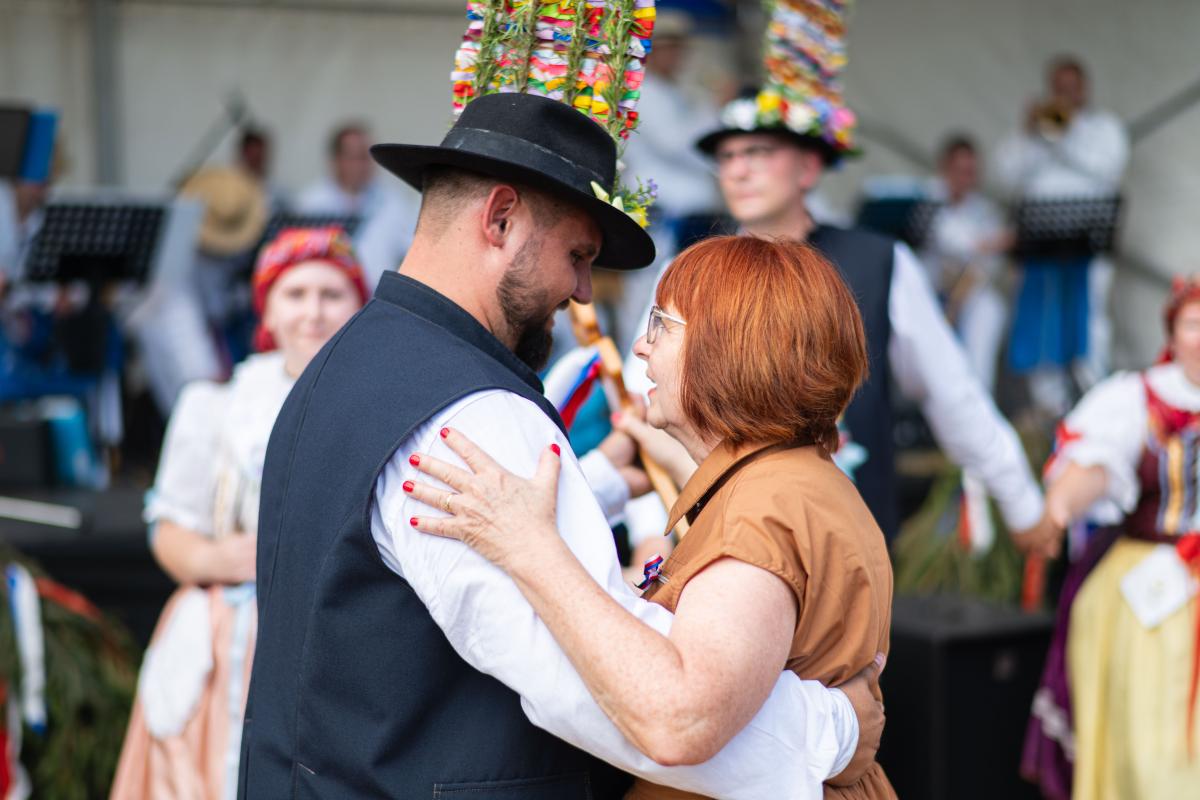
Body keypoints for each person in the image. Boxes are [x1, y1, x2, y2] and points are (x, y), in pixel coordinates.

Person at [240, 92, 883, 799]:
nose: (581, 292)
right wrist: (835, 728)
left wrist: (601, 485)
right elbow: (614, 697)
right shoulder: (476, 416)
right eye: (578, 255)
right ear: (500, 218)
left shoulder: (347, 363)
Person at [408, 235, 897, 799]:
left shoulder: (763, 508)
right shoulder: (794, 480)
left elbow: (681, 717)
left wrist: (529, 546)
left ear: (730, 348)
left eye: (662, 325)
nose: (641, 347)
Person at [617, 94, 1050, 560]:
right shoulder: (689, 271)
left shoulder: (880, 262)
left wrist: (1022, 504)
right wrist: (650, 535)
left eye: (758, 152)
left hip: (850, 540)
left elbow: (952, 393)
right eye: (727, 156)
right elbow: (640, 402)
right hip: (722, 540)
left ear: (808, 168)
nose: (738, 170)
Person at [110, 227, 368, 799]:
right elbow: (170, 529)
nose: (313, 312)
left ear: (359, 307)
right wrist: (216, 559)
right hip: (230, 639)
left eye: (331, 294)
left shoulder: (378, 405)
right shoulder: (217, 406)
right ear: (267, 310)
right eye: (295, 294)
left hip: (336, 637)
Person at [1021, 275, 1200, 800]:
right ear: (1172, 332)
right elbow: (1094, 468)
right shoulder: (1137, 399)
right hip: (1151, 590)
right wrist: (1057, 510)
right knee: (1148, 752)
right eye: (1194, 324)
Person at [994, 55, 1129, 416]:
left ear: (1084, 89)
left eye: (1072, 87)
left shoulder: (1104, 128)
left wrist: (1063, 136)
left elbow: (1109, 168)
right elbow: (1005, 176)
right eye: (1059, 87)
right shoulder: (1033, 132)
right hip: (1040, 245)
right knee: (1042, 322)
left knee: (1091, 319)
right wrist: (1029, 134)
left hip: (1089, 242)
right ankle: (1050, 409)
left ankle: (1095, 399)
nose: (1066, 94)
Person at [920, 134, 1013, 394]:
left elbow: (988, 266)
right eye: (959, 171)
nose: (965, 179)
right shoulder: (927, 199)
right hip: (927, 292)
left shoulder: (982, 210)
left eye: (971, 172)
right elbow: (950, 240)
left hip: (964, 296)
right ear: (944, 169)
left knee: (990, 308)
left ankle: (978, 394)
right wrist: (991, 243)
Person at [296, 122, 418, 285]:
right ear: (336, 160)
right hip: (329, 294)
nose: (363, 165)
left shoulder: (393, 200)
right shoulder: (312, 204)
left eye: (367, 157)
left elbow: (411, 249)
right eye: (356, 157)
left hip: (378, 295)